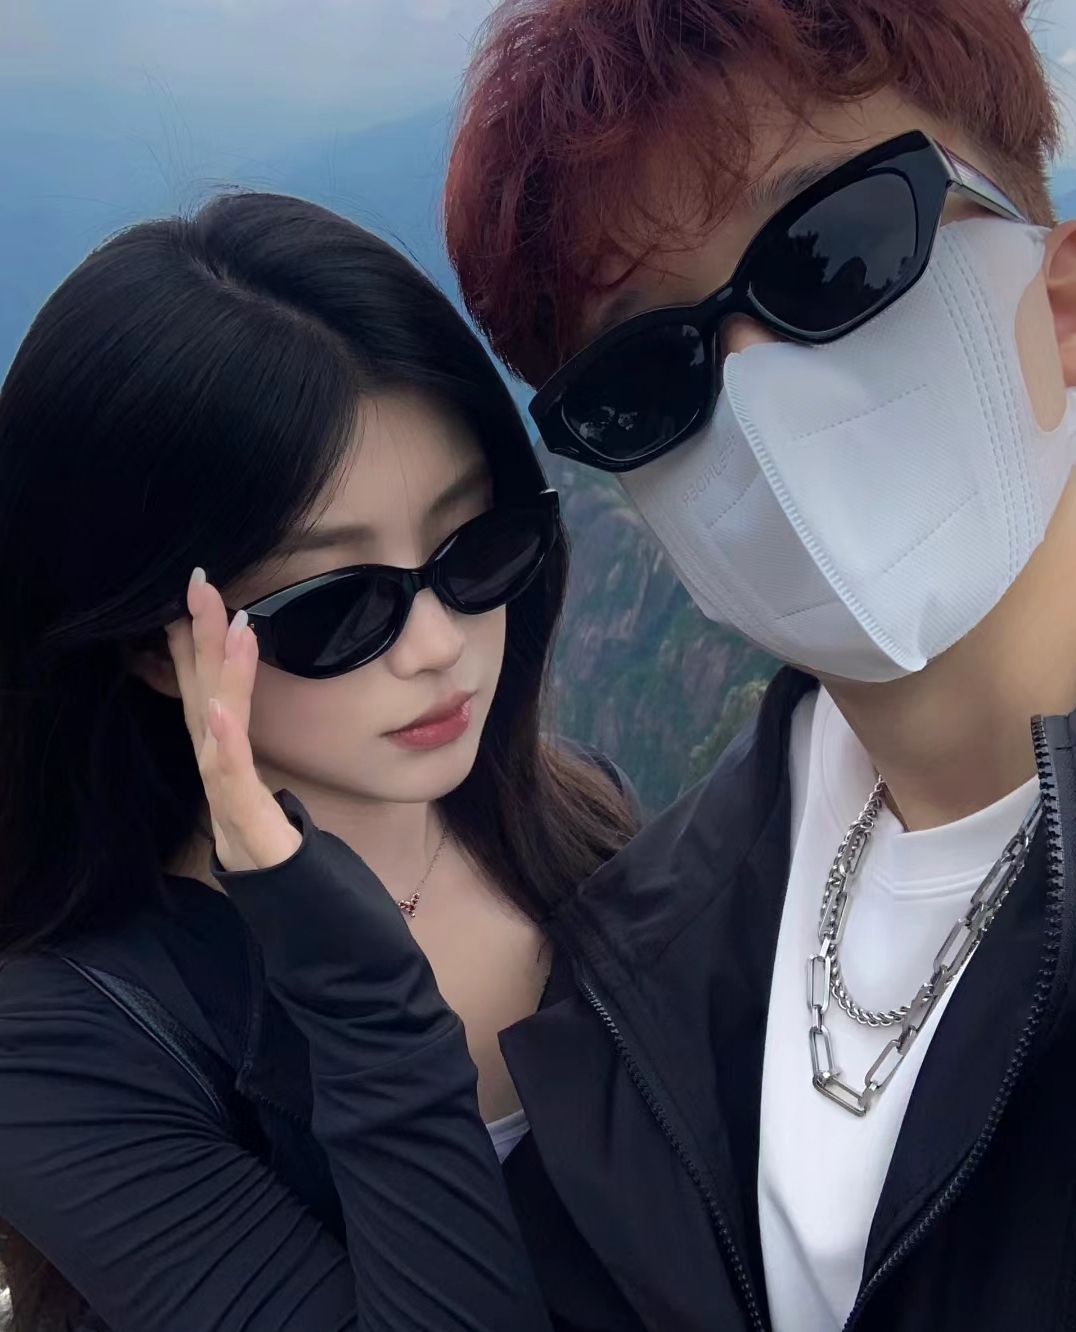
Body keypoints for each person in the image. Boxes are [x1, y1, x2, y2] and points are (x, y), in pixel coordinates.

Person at [445, 1, 1076, 1329]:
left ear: (1059, 296)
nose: (754, 392)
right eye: (646, 375)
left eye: (833, 251)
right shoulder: (632, 961)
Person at [0, 192, 637, 1331]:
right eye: (337, 603)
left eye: (475, 547)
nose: (437, 643)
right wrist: (366, 999)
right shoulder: (70, 1040)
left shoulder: (579, 819)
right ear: (150, 647)